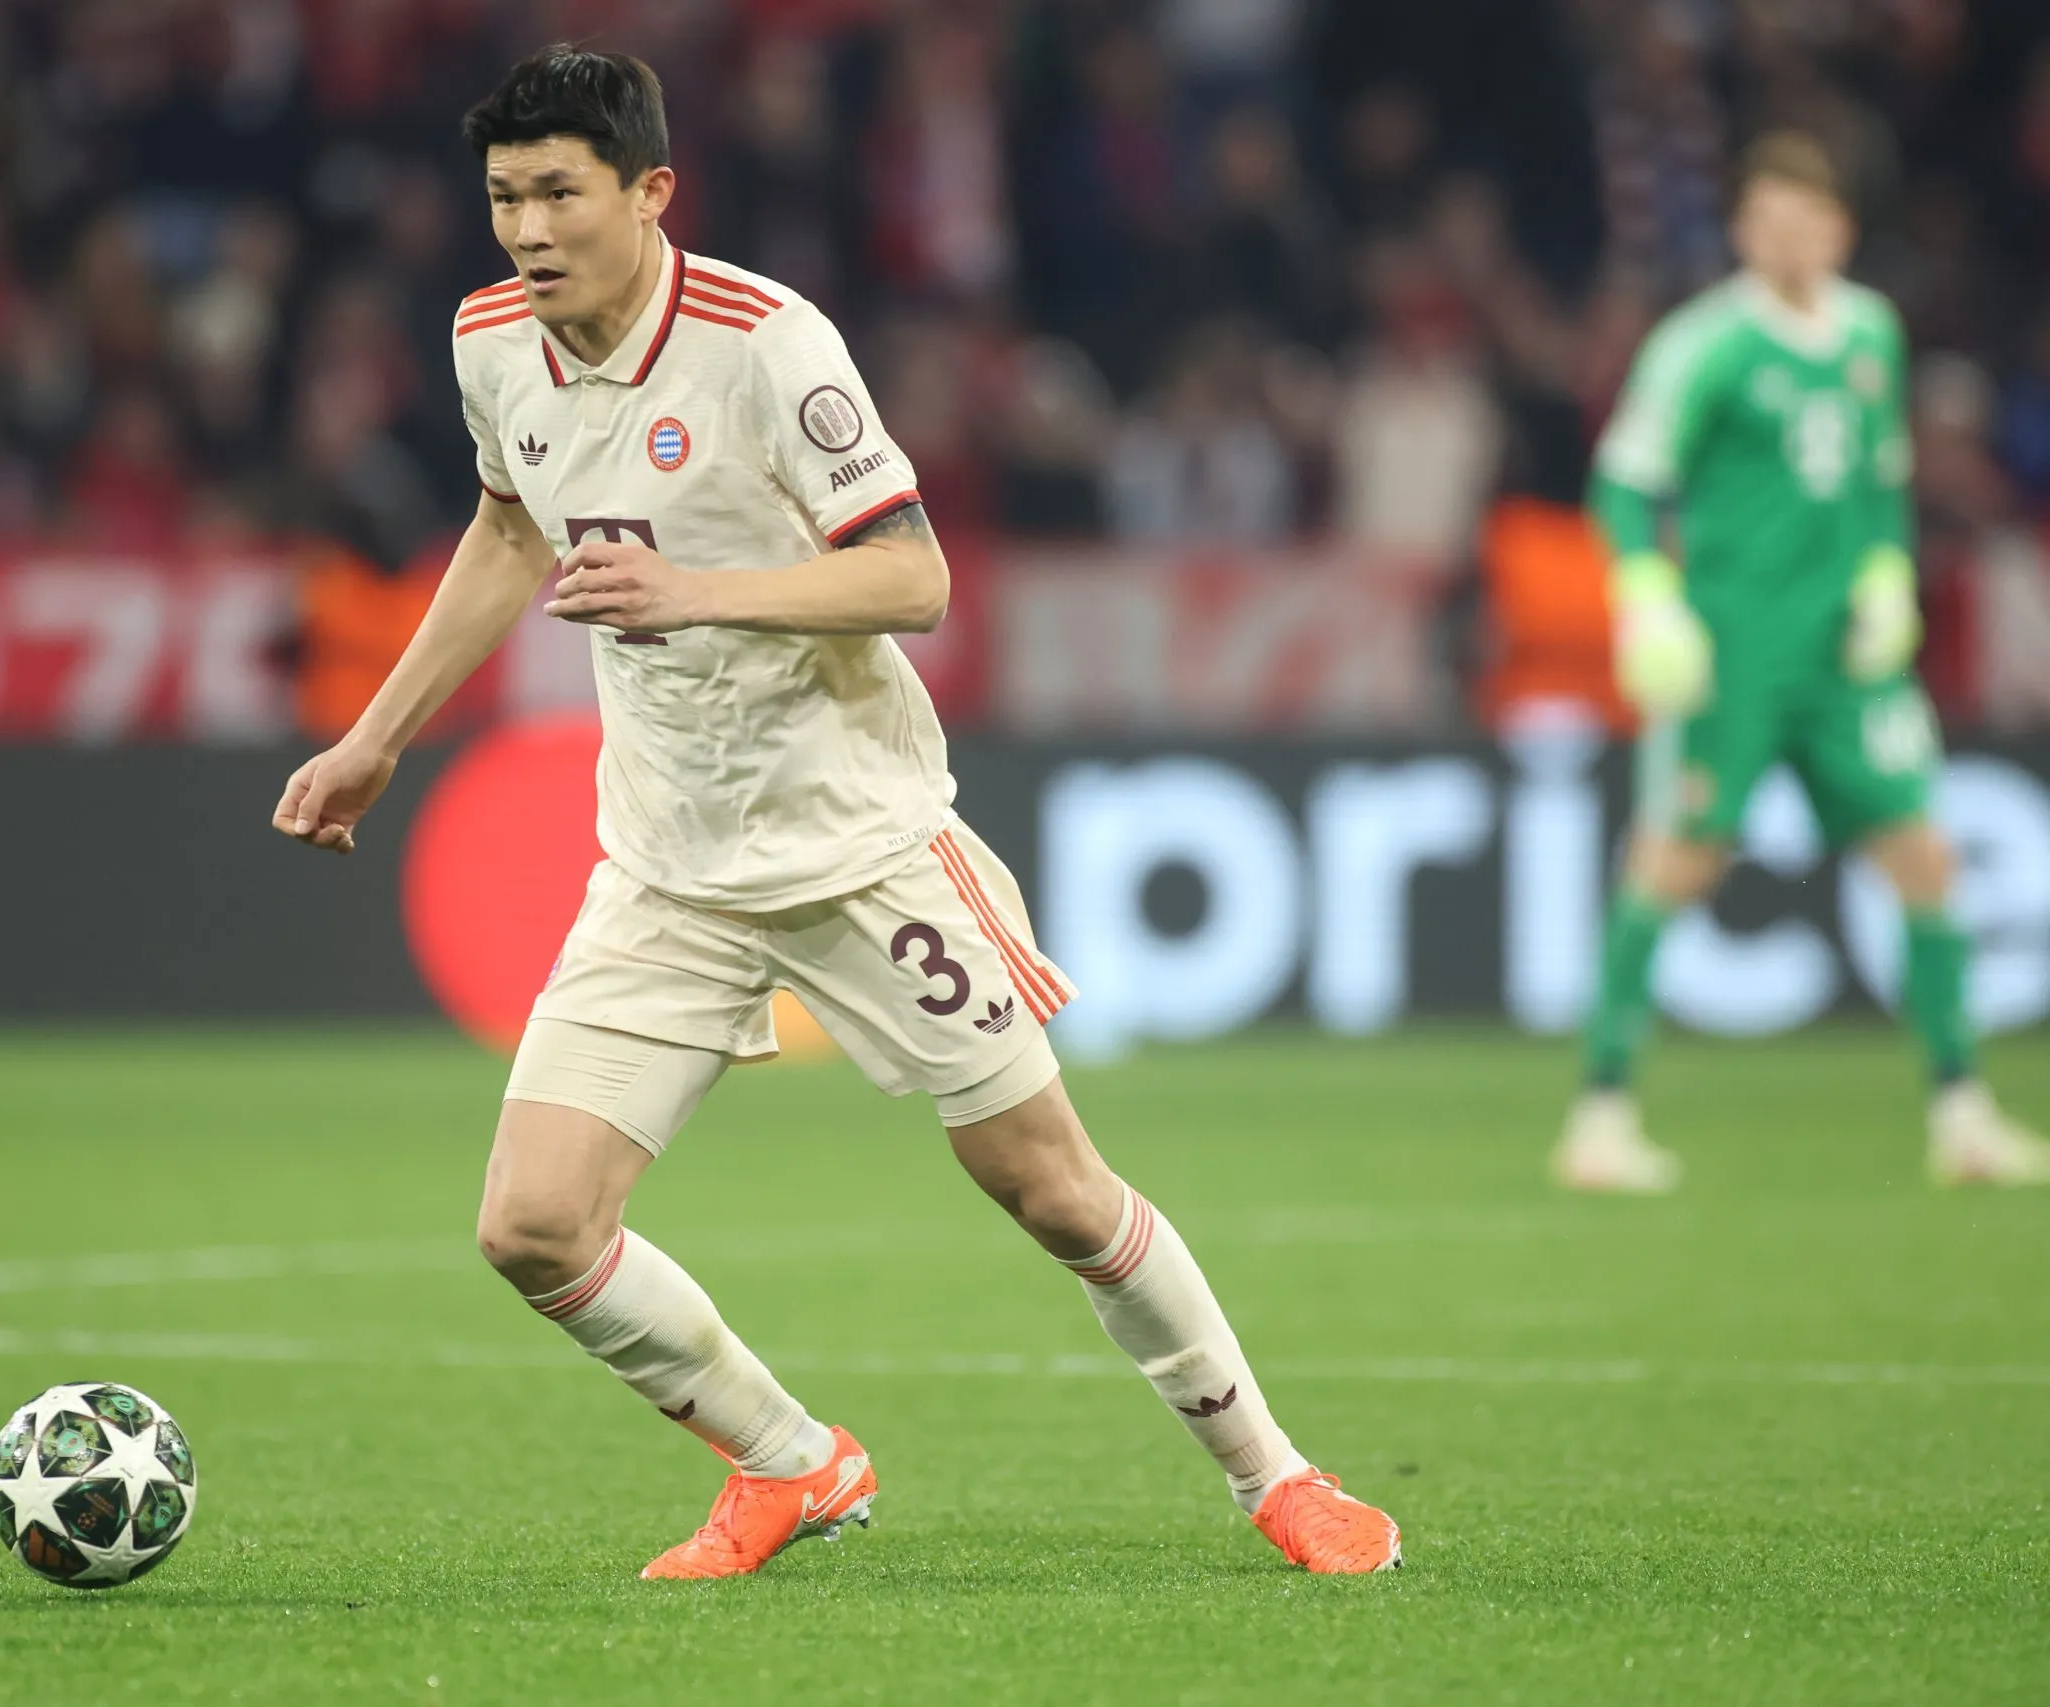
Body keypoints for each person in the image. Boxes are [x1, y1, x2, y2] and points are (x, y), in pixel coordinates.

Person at [274, 46, 1401, 1579]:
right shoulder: (490, 341)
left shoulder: (765, 344)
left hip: (859, 843)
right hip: (667, 862)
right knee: (533, 1225)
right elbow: (505, 524)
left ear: (651, 193)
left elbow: (915, 576)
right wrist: (376, 737)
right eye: (505, 198)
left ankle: (1277, 1475)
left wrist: (696, 590)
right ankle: (790, 1459)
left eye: (558, 194)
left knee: (1052, 1187)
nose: (528, 230)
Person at [1557, 132, 2050, 1194]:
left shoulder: (1871, 332)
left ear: (1841, 229)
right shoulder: (1704, 345)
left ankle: (1962, 1115)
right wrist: (1647, 599)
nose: (1790, 238)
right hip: (1731, 651)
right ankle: (1599, 1116)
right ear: (1742, 230)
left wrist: (1885, 573)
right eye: (1770, 219)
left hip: (1841, 660)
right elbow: (1624, 483)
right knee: (1675, 863)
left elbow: (1878, 481)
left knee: (1924, 858)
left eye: (1808, 219)